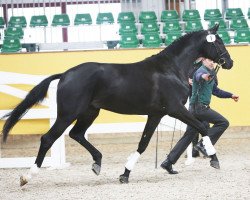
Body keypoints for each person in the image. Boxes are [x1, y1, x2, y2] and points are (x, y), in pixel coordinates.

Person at [161, 58, 239, 174]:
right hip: (200, 109)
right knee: (223, 123)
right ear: (203, 61)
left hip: (194, 109)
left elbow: (216, 91)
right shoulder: (200, 71)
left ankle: (168, 162)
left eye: (213, 61)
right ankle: (203, 145)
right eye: (209, 60)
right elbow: (199, 76)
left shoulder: (211, 74)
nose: (212, 62)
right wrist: (205, 76)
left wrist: (230, 95)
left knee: (189, 135)